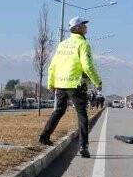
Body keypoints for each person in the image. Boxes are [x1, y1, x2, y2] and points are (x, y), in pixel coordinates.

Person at [39, 16, 102, 157]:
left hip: (60, 84)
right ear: (78, 28)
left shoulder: (62, 44)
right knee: (82, 115)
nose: (86, 27)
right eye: (84, 25)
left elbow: (53, 65)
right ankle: (83, 147)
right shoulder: (83, 44)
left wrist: (51, 83)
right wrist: (97, 81)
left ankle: (44, 136)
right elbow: (87, 65)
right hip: (76, 85)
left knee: (59, 111)